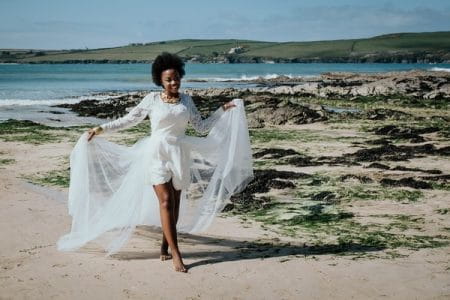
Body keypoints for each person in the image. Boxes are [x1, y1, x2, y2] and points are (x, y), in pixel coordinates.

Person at [57, 52, 253, 273]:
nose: (174, 82)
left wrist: (221, 111)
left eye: (177, 78)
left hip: (179, 153)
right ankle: (176, 254)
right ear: (160, 80)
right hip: (155, 154)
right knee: (166, 201)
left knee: (176, 203)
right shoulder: (151, 100)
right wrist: (100, 129)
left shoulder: (187, 100)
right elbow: (129, 119)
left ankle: (165, 243)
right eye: (169, 79)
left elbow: (202, 127)